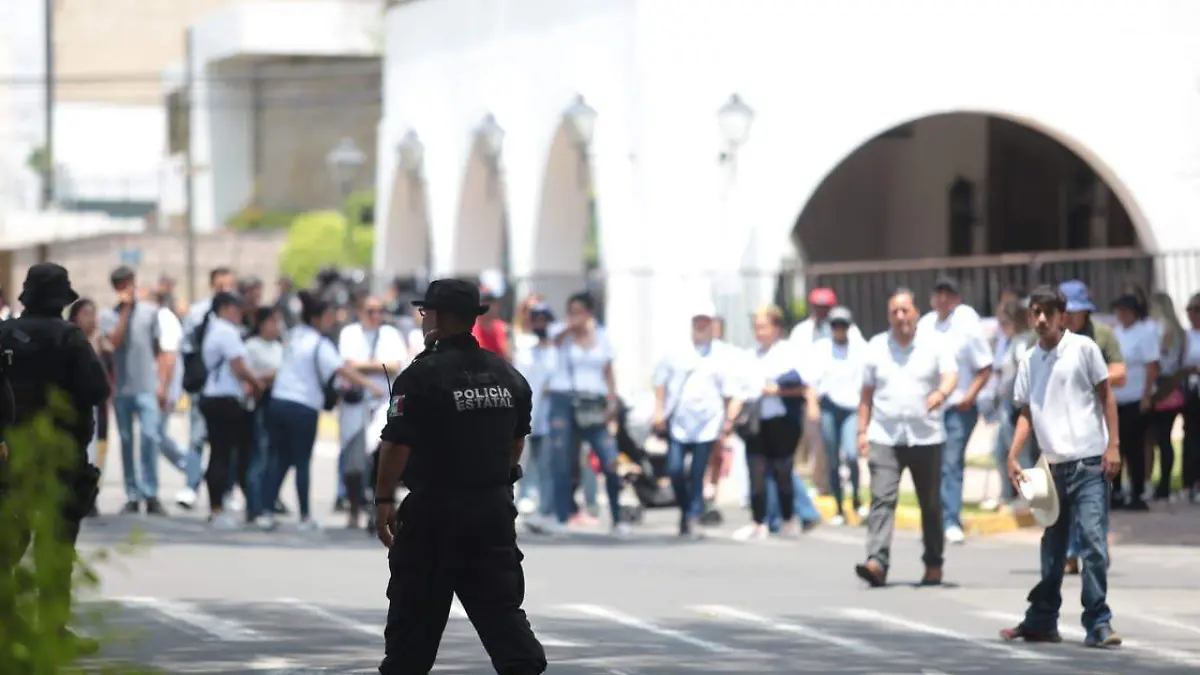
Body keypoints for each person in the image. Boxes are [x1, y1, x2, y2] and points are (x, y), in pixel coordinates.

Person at [373, 278, 546, 675]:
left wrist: (383, 500)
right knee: (503, 617)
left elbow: (395, 445)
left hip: (434, 514)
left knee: (413, 624)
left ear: (434, 317)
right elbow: (516, 441)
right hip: (492, 512)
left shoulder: (420, 377)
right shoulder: (507, 375)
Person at [1001, 285, 1122, 648]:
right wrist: (1013, 454)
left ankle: (1098, 622)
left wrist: (1113, 445)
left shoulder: (1083, 349)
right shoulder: (1029, 360)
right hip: (1052, 468)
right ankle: (1042, 620)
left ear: (1062, 317)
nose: (1041, 319)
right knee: (1052, 551)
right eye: (1035, 312)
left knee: (1093, 545)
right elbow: (1026, 412)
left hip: (1088, 464)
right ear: (1029, 316)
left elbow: (1106, 396)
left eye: (1048, 313)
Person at [0, 263, 110, 651]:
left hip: (8, 459)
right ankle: (51, 631)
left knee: (7, 544)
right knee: (56, 547)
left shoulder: (4, 334)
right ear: (61, 300)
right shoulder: (69, 338)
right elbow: (96, 389)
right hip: (59, 459)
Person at [855, 288, 957, 588]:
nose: (900, 317)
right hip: (884, 436)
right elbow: (866, 395)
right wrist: (862, 431)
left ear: (915, 313)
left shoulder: (934, 344)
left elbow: (950, 375)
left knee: (931, 504)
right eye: (894, 312)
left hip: (926, 437)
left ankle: (934, 563)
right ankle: (877, 561)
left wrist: (941, 393)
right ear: (889, 317)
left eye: (905, 311)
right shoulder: (875, 347)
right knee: (882, 499)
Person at [266, 291, 382, 531]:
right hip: (303, 405)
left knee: (279, 459)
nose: (331, 320)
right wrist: (371, 386)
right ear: (317, 318)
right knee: (301, 462)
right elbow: (342, 370)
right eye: (328, 316)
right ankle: (305, 517)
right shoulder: (319, 343)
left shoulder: (295, 336)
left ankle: (265, 511)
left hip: (278, 401)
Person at [653, 301, 743, 538]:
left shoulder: (722, 354)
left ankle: (693, 514)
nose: (701, 326)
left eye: (706, 322)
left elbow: (728, 391)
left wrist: (727, 421)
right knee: (674, 469)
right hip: (680, 421)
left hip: (707, 422)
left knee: (697, 471)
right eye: (697, 322)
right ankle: (685, 508)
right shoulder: (677, 352)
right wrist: (659, 410)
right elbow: (660, 381)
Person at [545, 292, 628, 536]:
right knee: (562, 459)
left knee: (609, 458)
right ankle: (561, 516)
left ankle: (617, 516)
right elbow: (555, 341)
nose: (575, 316)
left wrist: (612, 400)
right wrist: (571, 329)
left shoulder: (602, 337)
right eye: (571, 311)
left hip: (593, 402)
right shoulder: (561, 331)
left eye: (580, 311)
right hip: (564, 398)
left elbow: (608, 370)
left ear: (590, 313)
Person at [917, 276, 992, 546]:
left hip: (959, 407)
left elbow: (985, 367)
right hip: (931, 408)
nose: (943, 299)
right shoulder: (925, 325)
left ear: (957, 299)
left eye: (948, 294)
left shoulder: (967, 326)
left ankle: (951, 521)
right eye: (938, 294)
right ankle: (935, 520)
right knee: (932, 464)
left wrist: (969, 397)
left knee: (951, 463)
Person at [101, 266, 170, 516]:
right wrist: (126, 310)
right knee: (127, 441)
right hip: (122, 389)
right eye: (122, 286)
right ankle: (132, 493)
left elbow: (159, 349)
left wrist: (162, 384)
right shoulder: (108, 315)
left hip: (146, 387)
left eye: (129, 284)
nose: (127, 290)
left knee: (150, 437)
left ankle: (150, 493)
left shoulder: (151, 312)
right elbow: (115, 341)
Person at [337, 294, 408, 530]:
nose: (375, 315)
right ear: (359, 311)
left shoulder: (390, 334)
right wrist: (378, 365)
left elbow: (396, 364)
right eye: (370, 311)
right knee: (353, 460)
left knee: (381, 455)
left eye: (379, 310)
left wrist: (362, 366)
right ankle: (354, 508)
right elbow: (346, 365)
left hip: (382, 404)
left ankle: (379, 508)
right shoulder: (350, 334)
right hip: (355, 403)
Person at [197, 292, 264, 530]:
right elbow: (239, 366)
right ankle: (217, 509)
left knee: (219, 454)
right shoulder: (226, 331)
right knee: (222, 456)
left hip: (215, 397)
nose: (239, 314)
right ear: (226, 308)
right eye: (236, 309)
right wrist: (257, 385)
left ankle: (217, 506)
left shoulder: (216, 330)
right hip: (223, 400)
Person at [805, 306, 868, 525]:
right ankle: (839, 506)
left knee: (851, 455)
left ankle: (857, 499)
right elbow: (812, 382)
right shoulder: (821, 349)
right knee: (832, 457)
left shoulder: (859, 350)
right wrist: (813, 405)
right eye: (834, 326)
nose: (838, 330)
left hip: (851, 408)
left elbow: (867, 383)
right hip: (829, 406)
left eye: (842, 326)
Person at [1109, 293, 1158, 511]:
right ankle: (1116, 490)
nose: (1121, 315)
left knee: (1134, 448)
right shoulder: (1115, 334)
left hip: (1135, 398)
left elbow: (1151, 366)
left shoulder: (1145, 333)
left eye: (1125, 311)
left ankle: (1136, 491)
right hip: (1115, 399)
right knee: (1114, 447)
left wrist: (1147, 394)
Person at [244, 307, 284, 529]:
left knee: (273, 458)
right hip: (260, 404)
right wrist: (271, 376)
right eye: (272, 322)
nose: (276, 327)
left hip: (276, 405)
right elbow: (251, 377)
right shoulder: (252, 347)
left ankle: (268, 503)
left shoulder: (279, 348)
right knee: (259, 455)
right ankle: (255, 506)